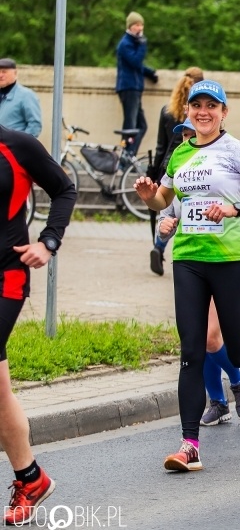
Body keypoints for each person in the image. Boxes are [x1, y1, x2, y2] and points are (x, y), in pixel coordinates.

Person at [133, 80, 240, 472]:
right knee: (191, 352)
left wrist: (235, 210)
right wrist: (149, 197)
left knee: (237, 351)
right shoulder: (180, 154)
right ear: (189, 111)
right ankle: (189, 445)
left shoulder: (236, 150)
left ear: (223, 112)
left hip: (230, 259)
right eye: (196, 105)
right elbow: (164, 202)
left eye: (211, 106)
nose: (203, 112)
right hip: (188, 259)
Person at [153, 119, 240, 426]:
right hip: (191, 261)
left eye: (193, 133)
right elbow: (164, 216)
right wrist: (164, 231)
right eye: (185, 135)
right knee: (197, 341)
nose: (190, 139)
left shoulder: (227, 162)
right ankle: (218, 401)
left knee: (213, 337)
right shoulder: (180, 171)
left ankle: (239, 381)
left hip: (225, 259)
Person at [0, 126, 77, 524]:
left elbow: (64, 190)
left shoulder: (18, 146)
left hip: (6, 275)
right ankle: (30, 478)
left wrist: (48, 242)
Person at [148, 66, 204, 276]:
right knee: (188, 209)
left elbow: (161, 145)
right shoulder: (202, 113)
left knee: (168, 212)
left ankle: (159, 246)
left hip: (168, 165)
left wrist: (155, 171)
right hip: (193, 164)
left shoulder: (167, 110)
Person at [115, 11, 158, 156]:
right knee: (131, 125)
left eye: (141, 25)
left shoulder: (133, 42)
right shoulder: (125, 43)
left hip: (135, 88)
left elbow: (136, 66)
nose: (140, 28)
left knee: (141, 126)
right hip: (129, 88)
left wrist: (149, 73)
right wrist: (142, 45)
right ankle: (125, 158)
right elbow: (135, 61)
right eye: (136, 25)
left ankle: (130, 154)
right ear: (130, 27)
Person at [0, 59, 42, 137]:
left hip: (13, 147)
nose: (0, 75)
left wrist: (22, 145)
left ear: (15, 73)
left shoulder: (26, 95)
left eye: (4, 72)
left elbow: (34, 125)